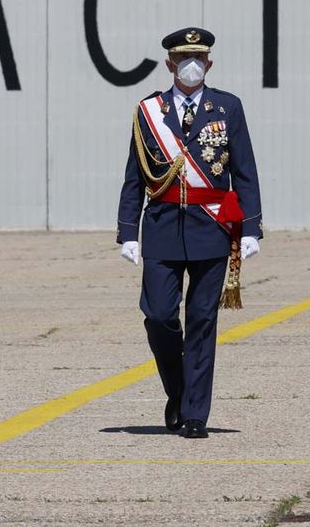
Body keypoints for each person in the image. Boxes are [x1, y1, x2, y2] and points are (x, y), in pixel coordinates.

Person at [117, 27, 262, 439]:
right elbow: (134, 176)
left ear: (209, 64)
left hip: (212, 225)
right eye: (183, 59)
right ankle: (178, 392)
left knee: (201, 319)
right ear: (170, 64)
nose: (191, 66)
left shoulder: (227, 107)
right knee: (159, 315)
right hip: (162, 226)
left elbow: (244, 170)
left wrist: (250, 227)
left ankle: (194, 414)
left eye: (198, 59)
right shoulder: (149, 112)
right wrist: (128, 231)